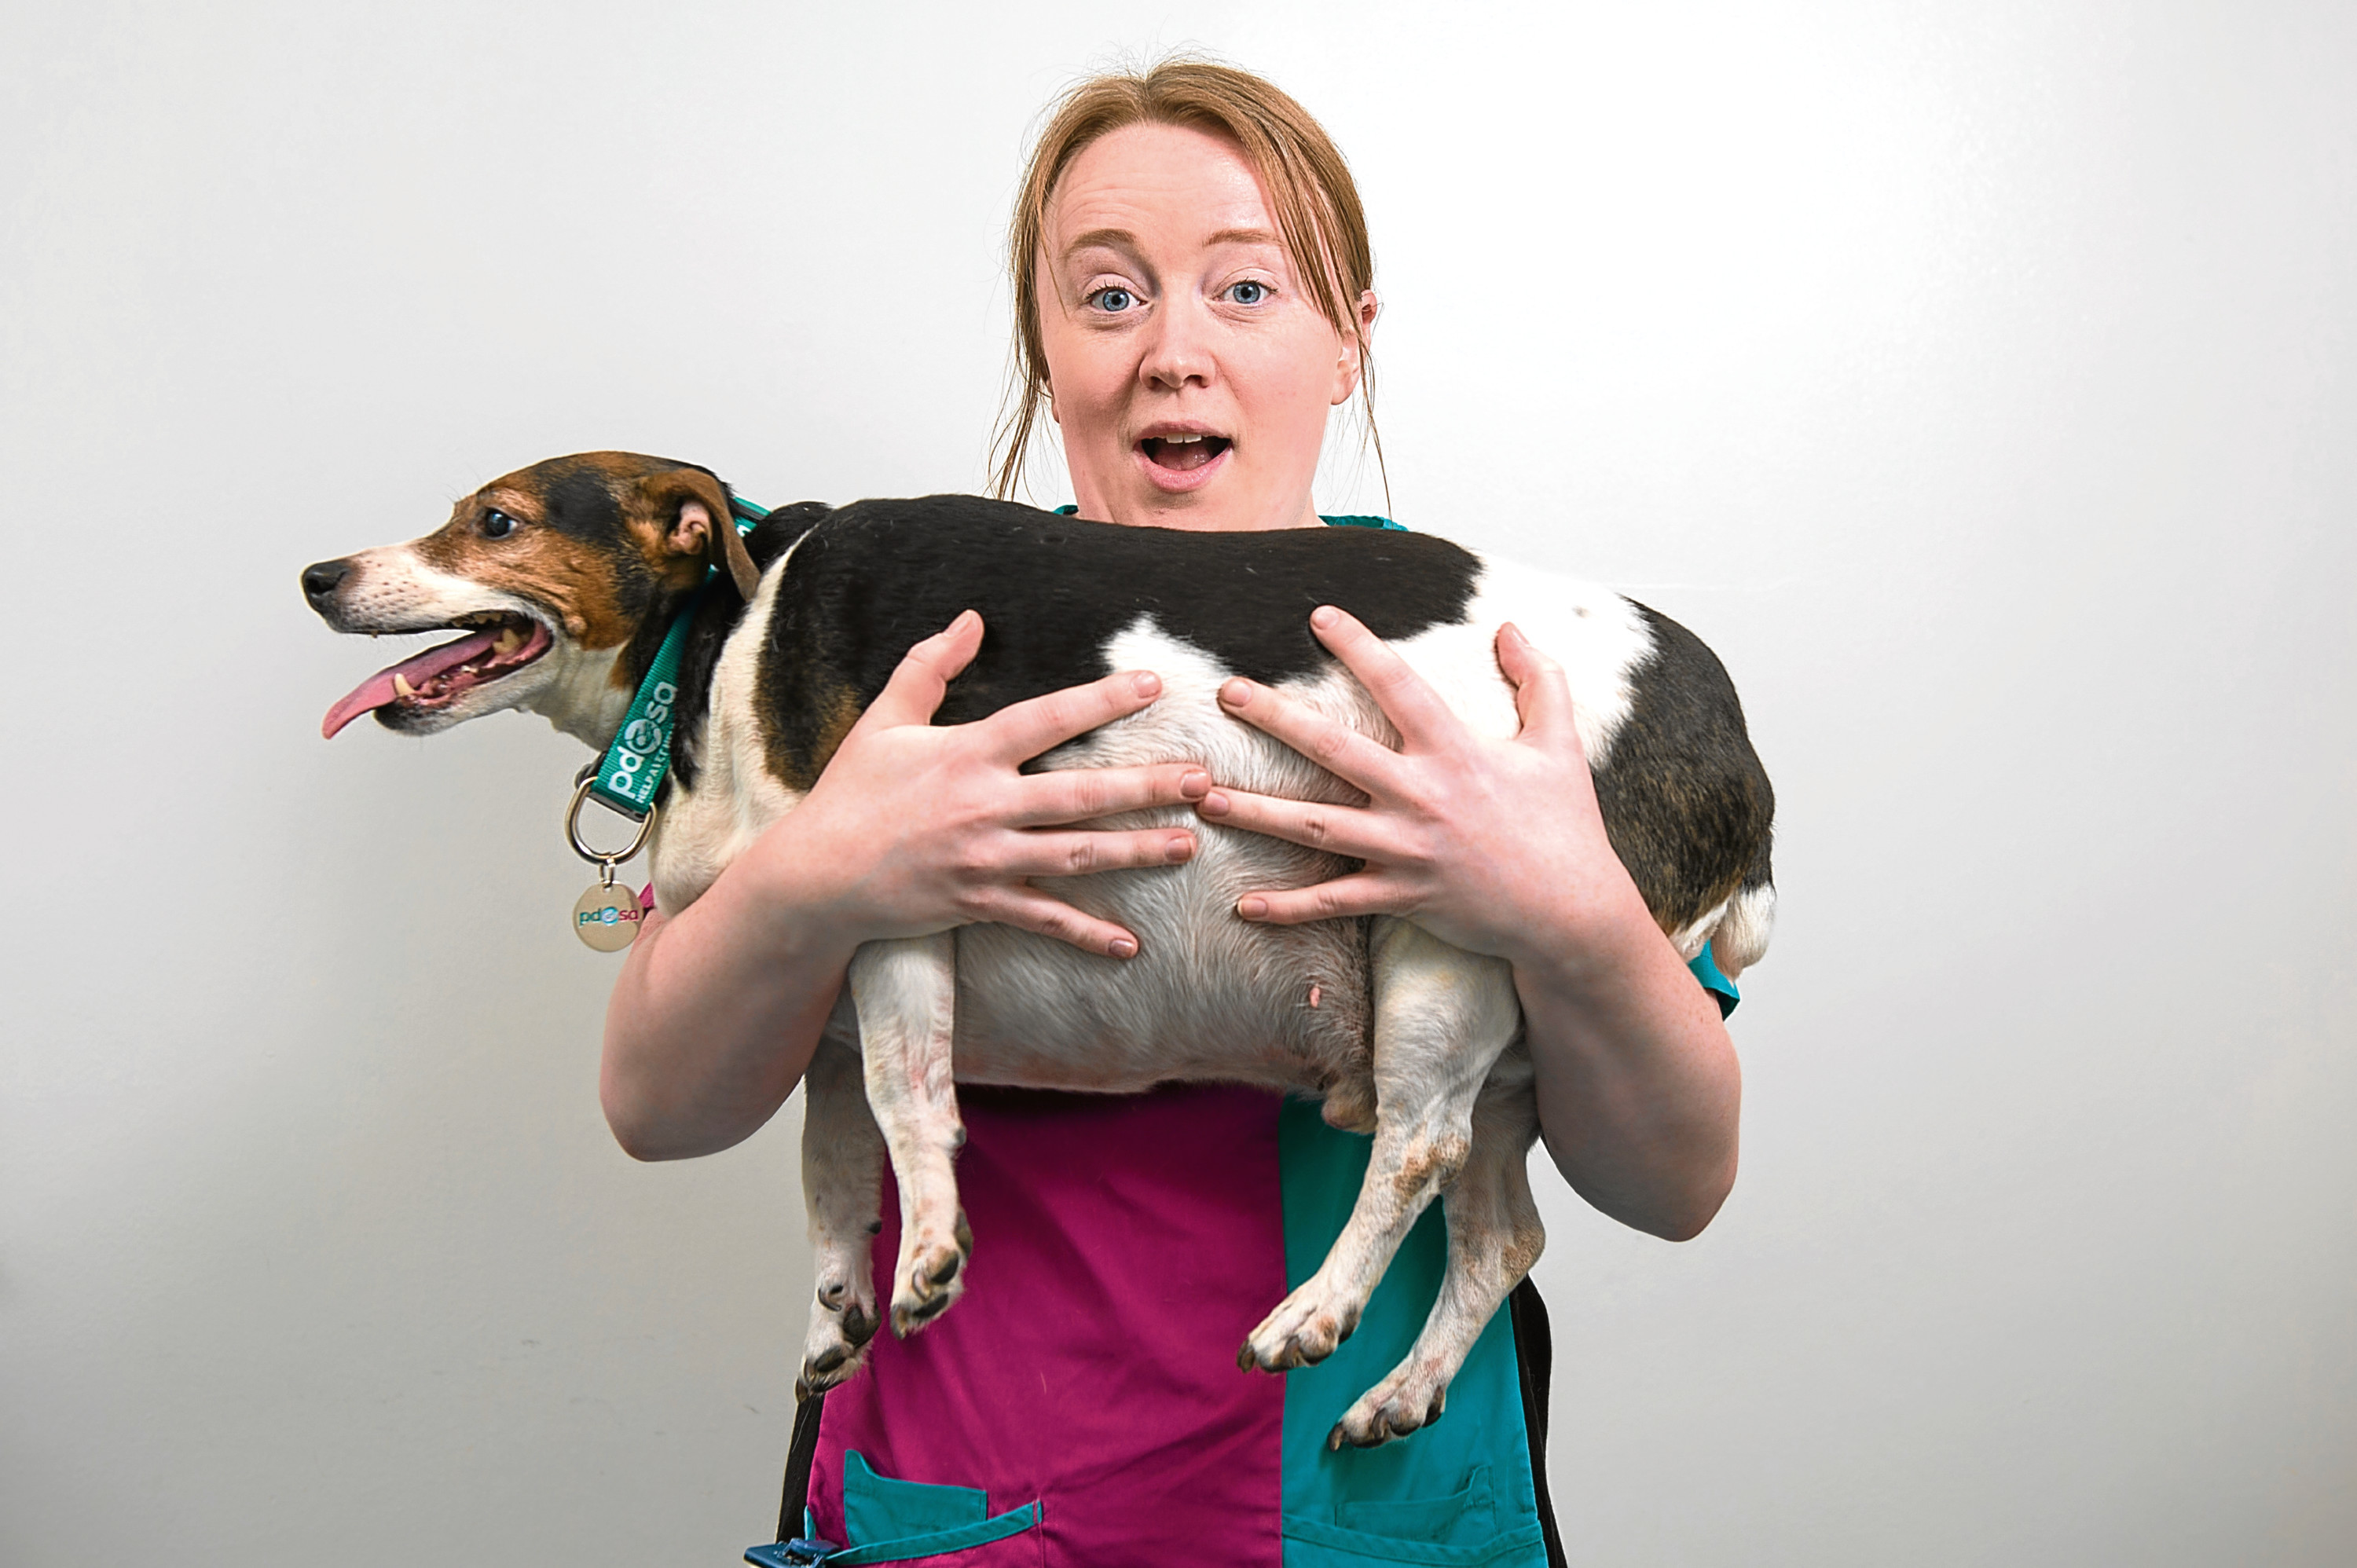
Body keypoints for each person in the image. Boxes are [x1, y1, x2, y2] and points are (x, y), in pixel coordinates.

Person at [601, 60, 1743, 1568]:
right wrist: (817, 871)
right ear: (1047, 350)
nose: (1175, 354)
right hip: (966, 1506)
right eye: (1111, 297)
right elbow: (657, 1105)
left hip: (1374, 1522)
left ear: (1350, 342)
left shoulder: (1491, 678)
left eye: (1249, 290)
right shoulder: (898, 656)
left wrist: (1574, 913)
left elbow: (1674, 1183)